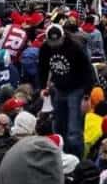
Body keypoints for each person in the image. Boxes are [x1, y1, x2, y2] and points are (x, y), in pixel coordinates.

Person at [39, 24, 94, 156]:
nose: (55, 45)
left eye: (57, 41)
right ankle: (61, 157)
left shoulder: (75, 47)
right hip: (58, 88)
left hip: (76, 89)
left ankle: (77, 161)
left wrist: (86, 96)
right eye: (52, 42)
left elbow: (88, 71)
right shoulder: (45, 48)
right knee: (58, 126)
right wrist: (42, 87)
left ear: (63, 37)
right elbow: (42, 68)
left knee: (74, 130)